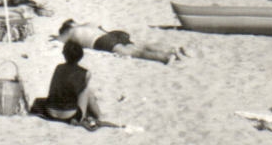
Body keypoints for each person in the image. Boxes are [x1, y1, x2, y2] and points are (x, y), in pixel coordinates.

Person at [32, 40, 103, 127]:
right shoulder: (86, 73)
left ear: (64, 54)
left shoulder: (58, 68)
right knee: (87, 90)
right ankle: (99, 115)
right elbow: (80, 94)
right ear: (81, 56)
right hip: (71, 116)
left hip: (50, 113)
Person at [55, 19, 184, 64]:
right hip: (113, 34)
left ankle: (165, 57)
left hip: (101, 40)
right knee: (140, 46)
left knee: (134, 53)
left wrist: (57, 37)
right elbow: (102, 29)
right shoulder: (88, 24)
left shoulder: (71, 31)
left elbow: (60, 40)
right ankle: (171, 49)